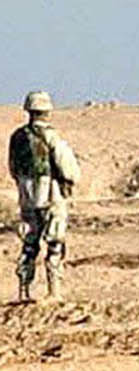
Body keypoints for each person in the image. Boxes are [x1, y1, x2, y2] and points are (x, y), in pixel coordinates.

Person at [10, 92, 79, 303]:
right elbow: (68, 168)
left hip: (27, 198)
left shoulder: (17, 137)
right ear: (47, 111)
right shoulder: (51, 136)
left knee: (29, 245)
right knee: (55, 244)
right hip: (50, 196)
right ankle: (53, 292)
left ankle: (24, 291)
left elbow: (13, 168)